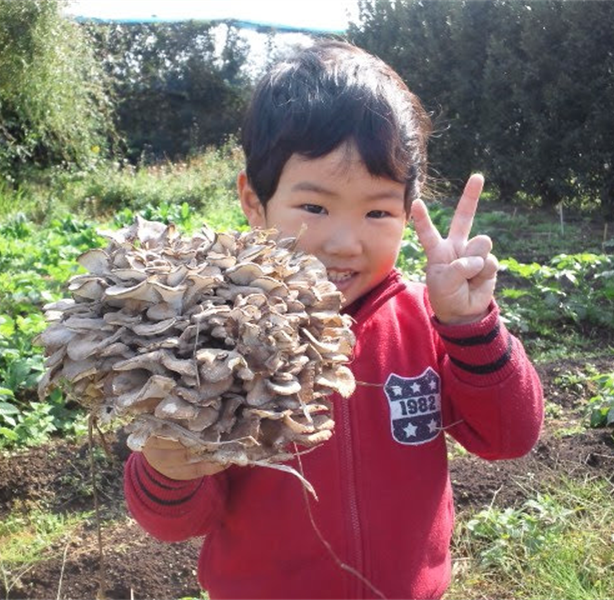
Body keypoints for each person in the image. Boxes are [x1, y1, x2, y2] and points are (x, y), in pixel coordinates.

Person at [123, 40, 543, 600]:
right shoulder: (212, 338)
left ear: (409, 210)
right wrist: (169, 464)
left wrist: (471, 327)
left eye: (377, 211)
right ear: (254, 201)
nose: (345, 243)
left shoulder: (425, 322)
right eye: (315, 207)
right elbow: (176, 522)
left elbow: (509, 438)